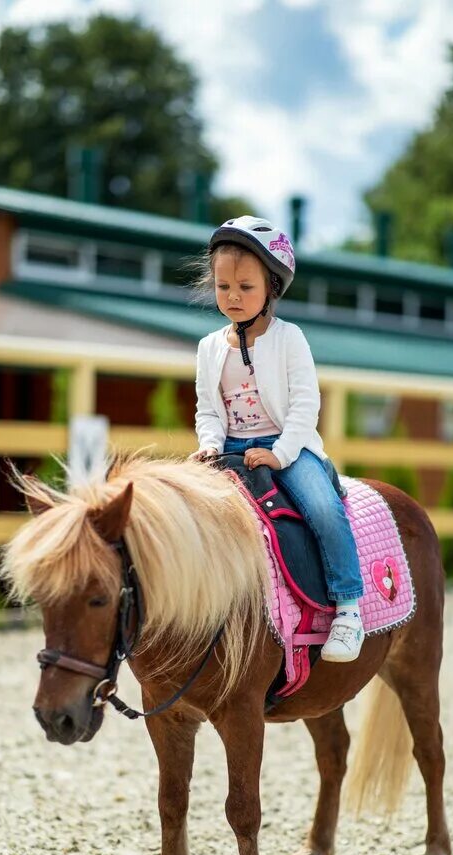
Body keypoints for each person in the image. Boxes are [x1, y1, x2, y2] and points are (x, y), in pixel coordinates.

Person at [190, 216, 364, 662]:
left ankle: (348, 608)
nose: (232, 297)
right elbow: (209, 409)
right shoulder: (209, 347)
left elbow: (307, 406)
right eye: (223, 286)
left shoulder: (290, 339)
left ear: (272, 288)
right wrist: (210, 445)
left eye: (246, 287)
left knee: (323, 507)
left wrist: (281, 453)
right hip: (230, 446)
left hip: (290, 444)